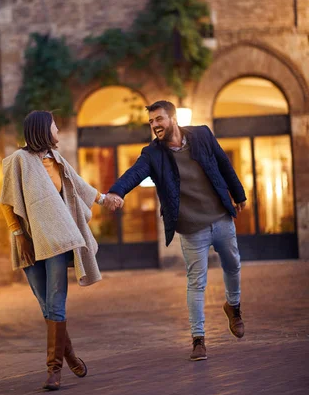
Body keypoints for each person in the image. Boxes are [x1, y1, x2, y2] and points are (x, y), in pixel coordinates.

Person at [105, 100, 246, 361]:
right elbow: (134, 173)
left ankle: (233, 307)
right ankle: (198, 339)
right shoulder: (153, 154)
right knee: (196, 282)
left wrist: (238, 193)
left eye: (159, 119)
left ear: (173, 118)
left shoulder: (202, 134)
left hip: (221, 218)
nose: (155, 125)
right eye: (151, 122)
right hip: (192, 228)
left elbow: (223, 163)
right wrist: (116, 191)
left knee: (233, 264)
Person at [0, 110, 123, 390]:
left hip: (56, 241)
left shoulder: (58, 161)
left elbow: (79, 186)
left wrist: (106, 200)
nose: (58, 132)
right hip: (29, 241)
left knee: (55, 302)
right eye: (55, 127)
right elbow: (6, 202)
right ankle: (69, 356)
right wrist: (19, 236)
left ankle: (53, 371)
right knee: (45, 305)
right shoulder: (18, 160)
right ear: (43, 130)